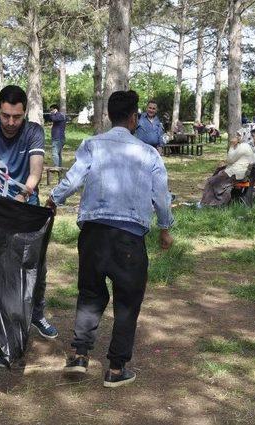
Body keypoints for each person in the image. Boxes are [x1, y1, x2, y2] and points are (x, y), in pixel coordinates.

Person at [47, 90, 174, 388]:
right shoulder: (148, 153)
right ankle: (116, 369)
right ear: (134, 118)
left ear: (108, 116)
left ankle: (79, 356)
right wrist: (165, 228)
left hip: (93, 234)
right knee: (127, 302)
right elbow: (161, 196)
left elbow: (73, 178)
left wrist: (53, 199)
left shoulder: (92, 144)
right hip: (130, 238)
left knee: (90, 293)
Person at [0, 85, 58, 350]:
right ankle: (2, 321)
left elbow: (35, 173)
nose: (11, 122)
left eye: (16, 116)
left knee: (34, 265)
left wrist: (22, 197)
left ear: (24, 112)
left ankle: (37, 314)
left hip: (25, 208)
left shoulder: (33, 132)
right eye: (6, 116)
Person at [197, 131, 255, 207]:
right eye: (237, 135)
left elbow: (230, 159)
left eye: (239, 135)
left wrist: (232, 146)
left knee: (212, 181)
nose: (237, 137)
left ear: (244, 136)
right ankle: (209, 196)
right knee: (219, 171)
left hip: (237, 174)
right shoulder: (248, 146)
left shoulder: (244, 146)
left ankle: (208, 204)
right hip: (242, 173)